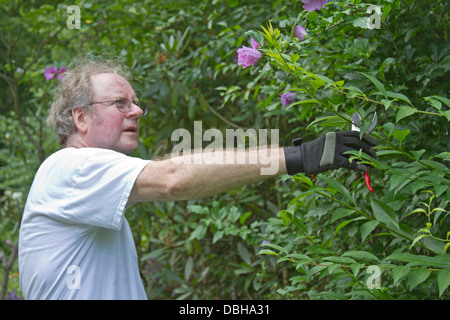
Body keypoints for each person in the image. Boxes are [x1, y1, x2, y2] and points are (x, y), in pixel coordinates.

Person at [18, 56, 377, 300]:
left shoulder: (82, 183)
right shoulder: (72, 167)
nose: (138, 110)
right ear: (81, 118)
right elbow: (173, 178)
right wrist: (302, 157)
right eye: (120, 104)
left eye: (136, 102)